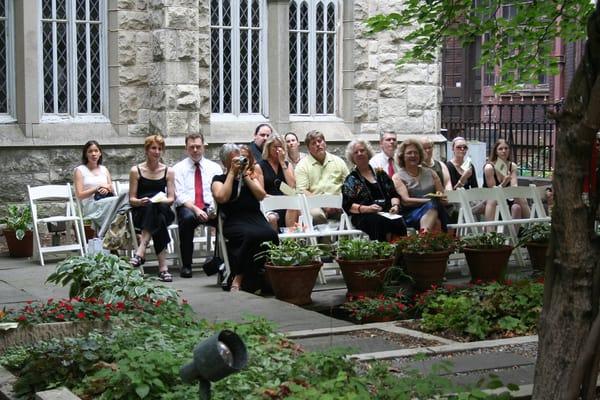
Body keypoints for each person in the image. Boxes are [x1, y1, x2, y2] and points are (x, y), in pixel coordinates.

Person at [211, 143, 279, 293]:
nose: (238, 162)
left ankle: (267, 274)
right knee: (250, 236)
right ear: (225, 162)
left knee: (271, 234)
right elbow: (222, 197)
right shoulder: (219, 179)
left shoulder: (249, 176)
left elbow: (261, 195)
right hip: (234, 220)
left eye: (240, 159)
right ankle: (238, 276)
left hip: (255, 218)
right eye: (234, 160)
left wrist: (245, 175)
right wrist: (231, 174)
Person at [173, 133, 223, 278]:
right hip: (189, 206)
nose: (195, 150)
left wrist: (214, 208)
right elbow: (179, 195)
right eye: (191, 147)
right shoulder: (178, 169)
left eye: (198, 147)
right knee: (187, 219)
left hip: (209, 205)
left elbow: (219, 191)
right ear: (186, 148)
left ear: (204, 147)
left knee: (225, 218)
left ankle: (220, 261)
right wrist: (195, 209)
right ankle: (187, 265)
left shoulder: (214, 167)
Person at [128, 135, 176, 282]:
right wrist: (140, 201)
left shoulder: (169, 171)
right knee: (157, 216)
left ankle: (141, 249)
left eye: (160, 149)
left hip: (163, 208)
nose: (157, 151)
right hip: (141, 211)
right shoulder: (136, 170)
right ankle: (163, 268)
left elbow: (171, 198)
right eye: (153, 148)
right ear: (147, 150)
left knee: (156, 207)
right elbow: (131, 199)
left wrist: (160, 200)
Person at [342, 139, 406, 241]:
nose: (360, 154)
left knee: (399, 219)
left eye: (362, 150)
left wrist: (395, 206)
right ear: (352, 158)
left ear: (368, 153)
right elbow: (348, 205)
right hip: (363, 215)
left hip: (386, 212)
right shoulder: (351, 179)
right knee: (379, 221)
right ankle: (384, 254)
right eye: (356, 152)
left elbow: (394, 194)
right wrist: (367, 209)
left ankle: (400, 252)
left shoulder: (381, 174)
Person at [295, 130, 349, 225]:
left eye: (320, 141)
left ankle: (347, 240)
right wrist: (324, 205)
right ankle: (325, 240)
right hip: (315, 204)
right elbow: (302, 190)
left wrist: (339, 203)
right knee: (316, 215)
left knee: (352, 212)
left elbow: (348, 185)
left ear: (325, 143)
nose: (318, 145)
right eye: (313, 143)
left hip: (338, 203)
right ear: (308, 148)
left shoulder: (338, 162)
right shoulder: (302, 165)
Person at [393, 139, 448, 232]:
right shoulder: (398, 177)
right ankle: (426, 238)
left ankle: (424, 236)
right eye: (409, 153)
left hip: (434, 210)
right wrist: (428, 200)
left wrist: (442, 198)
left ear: (420, 155)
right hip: (411, 213)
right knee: (435, 214)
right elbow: (406, 201)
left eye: (416, 153)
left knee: (436, 220)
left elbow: (441, 195)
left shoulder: (431, 173)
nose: (413, 155)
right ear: (402, 156)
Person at [73, 141, 126, 238]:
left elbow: (111, 188)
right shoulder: (80, 170)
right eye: (90, 151)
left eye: (96, 151)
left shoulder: (104, 169)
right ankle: (109, 236)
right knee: (117, 203)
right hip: (91, 204)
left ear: (100, 153)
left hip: (107, 201)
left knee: (122, 202)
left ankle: (107, 235)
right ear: (86, 154)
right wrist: (96, 189)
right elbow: (79, 195)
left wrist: (106, 189)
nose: (93, 154)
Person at [483, 138, 531, 222]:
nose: (504, 151)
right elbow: (493, 192)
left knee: (520, 200)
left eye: (506, 148)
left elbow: (514, 186)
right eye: (500, 149)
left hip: (508, 197)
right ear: (496, 151)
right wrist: (504, 182)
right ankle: (489, 233)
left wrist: (515, 195)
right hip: (492, 198)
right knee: (492, 200)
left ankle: (531, 226)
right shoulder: (489, 167)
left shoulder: (512, 166)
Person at [257, 134, 298, 229]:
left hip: (287, 204)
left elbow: (291, 188)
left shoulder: (287, 165)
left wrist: (283, 163)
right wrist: (278, 200)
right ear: (268, 148)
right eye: (275, 147)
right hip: (269, 204)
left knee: (295, 205)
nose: (278, 150)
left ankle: (290, 241)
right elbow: (260, 192)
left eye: (281, 147)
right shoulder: (260, 166)